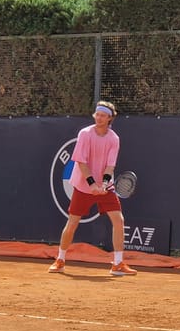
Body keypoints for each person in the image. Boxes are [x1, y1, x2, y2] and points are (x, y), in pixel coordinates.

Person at [49, 100, 137, 276]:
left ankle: (118, 264)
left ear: (110, 118)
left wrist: (104, 184)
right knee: (72, 222)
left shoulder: (114, 139)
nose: (99, 117)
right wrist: (92, 184)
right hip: (83, 185)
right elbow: (81, 162)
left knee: (118, 220)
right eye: (97, 114)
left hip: (105, 187)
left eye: (103, 115)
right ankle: (60, 259)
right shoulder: (85, 134)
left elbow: (110, 166)